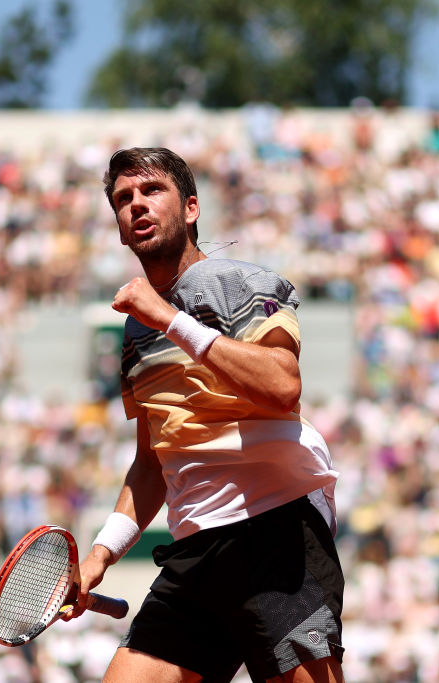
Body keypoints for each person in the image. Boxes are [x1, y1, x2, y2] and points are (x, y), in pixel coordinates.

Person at [65, 147, 345, 683]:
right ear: (121, 230)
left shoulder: (240, 282)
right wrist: (102, 554)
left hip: (276, 533)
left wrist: (171, 319)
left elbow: (282, 386)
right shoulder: (136, 331)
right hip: (195, 551)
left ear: (191, 208)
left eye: (152, 191)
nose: (137, 205)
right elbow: (153, 464)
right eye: (124, 200)